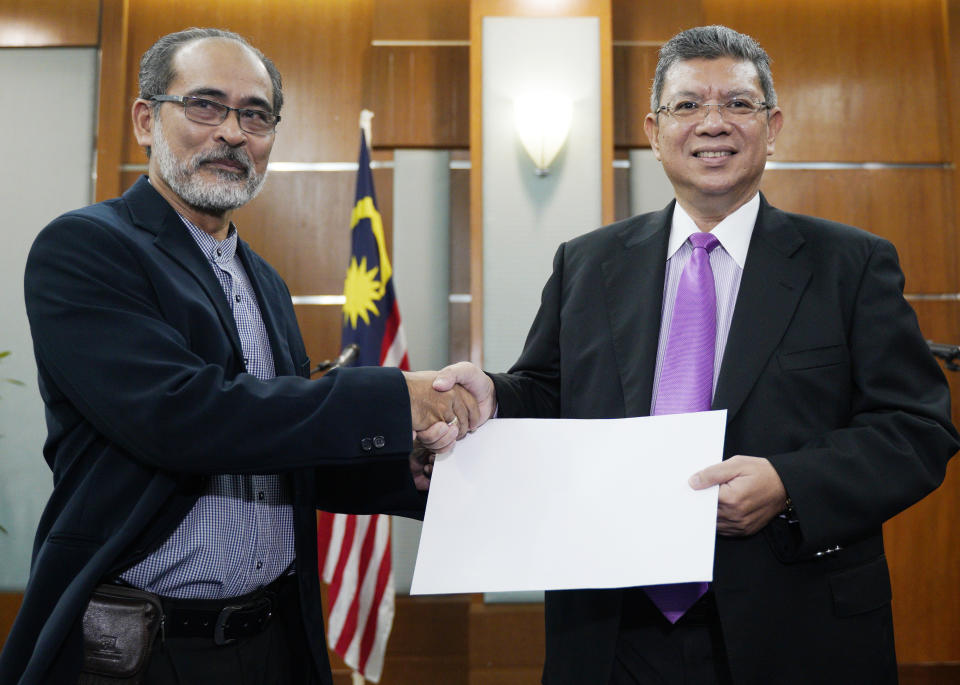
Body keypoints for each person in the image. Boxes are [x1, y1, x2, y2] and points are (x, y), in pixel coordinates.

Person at [434, 24, 959, 685]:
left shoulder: (851, 265)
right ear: (655, 131)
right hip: (611, 628)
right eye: (688, 105)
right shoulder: (587, 263)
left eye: (738, 104)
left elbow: (917, 428)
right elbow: (547, 393)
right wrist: (493, 394)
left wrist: (789, 484)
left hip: (793, 625)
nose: (713, 123)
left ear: (773, 126)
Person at [0, 27, 481, 685]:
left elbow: (283, 458)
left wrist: (414, 465)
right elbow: (184, 418)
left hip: (275, 638)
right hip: (144, 652)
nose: (231, 132)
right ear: (146, 120)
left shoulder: (267, 283)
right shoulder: (86, 249)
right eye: (205, 105)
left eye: (255, 114)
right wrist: (396, 395)